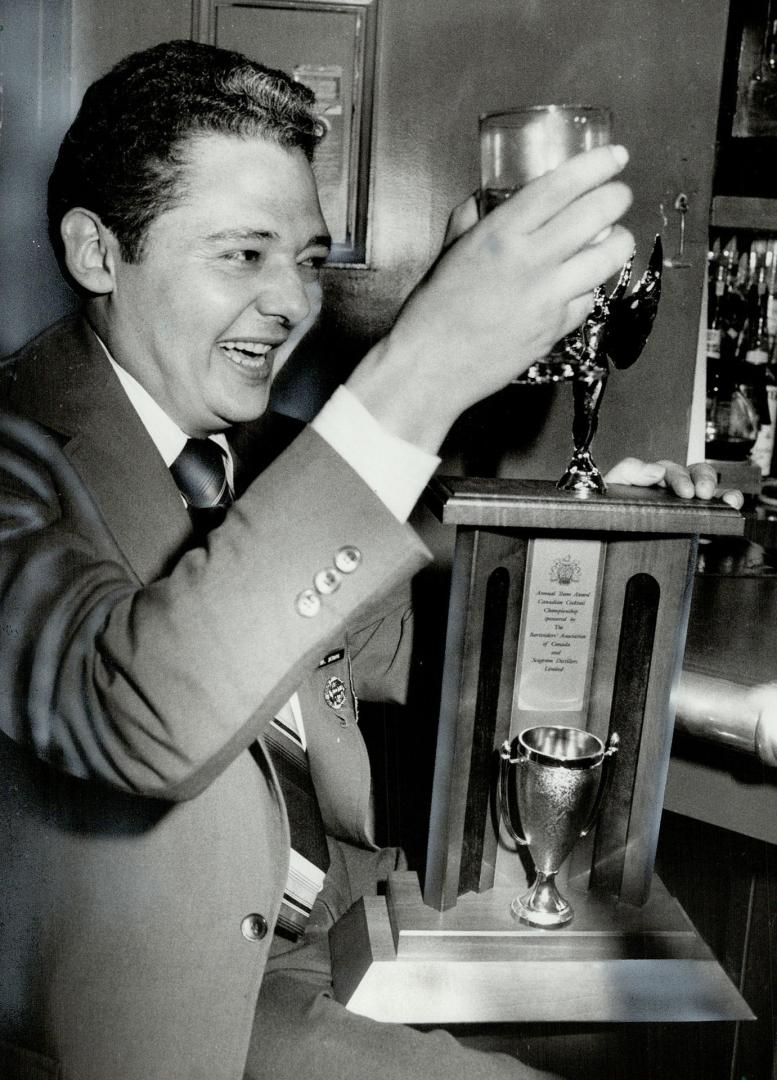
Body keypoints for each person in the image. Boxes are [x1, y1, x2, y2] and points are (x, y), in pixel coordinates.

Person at [0, 39, 740, 1080]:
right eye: (242, 254)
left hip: (336, 933)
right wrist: (423, 363)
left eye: (305, 260)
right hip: (158, 1022)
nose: (294, 304)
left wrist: (597, 520)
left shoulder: (250, 456)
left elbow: (394, 620)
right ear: (96, 252)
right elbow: (136, 707)